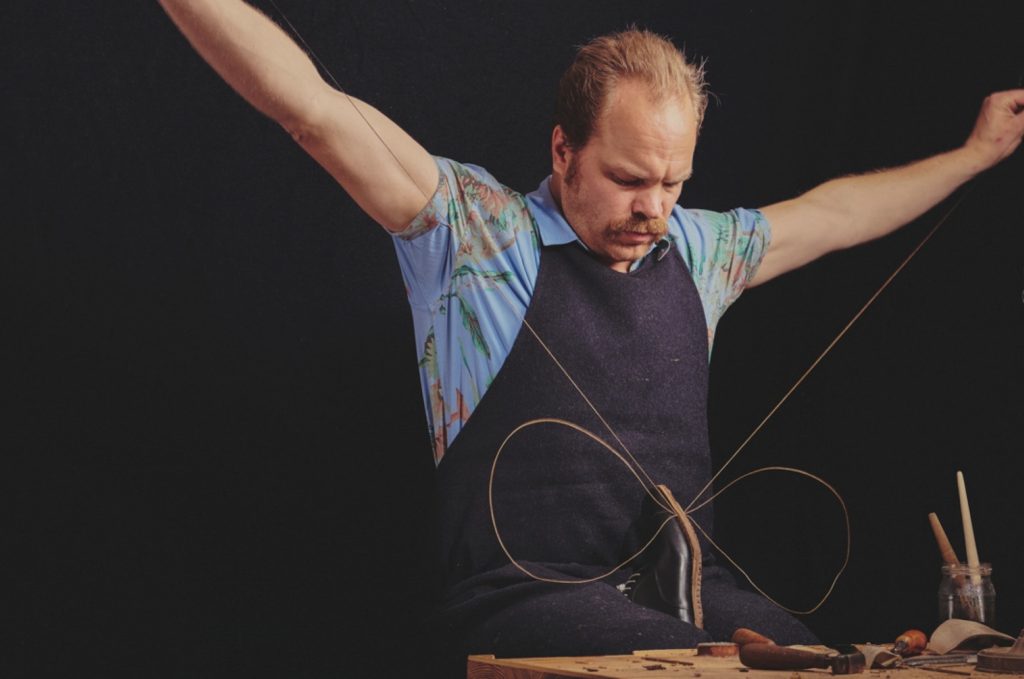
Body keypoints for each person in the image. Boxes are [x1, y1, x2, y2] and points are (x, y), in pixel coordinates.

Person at [157, 1, 1024, 676]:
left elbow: (835, 213)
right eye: (627, 178)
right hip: (521, 598)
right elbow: (313, 110)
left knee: (817, 661)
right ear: (563, 149)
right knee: (687, 664)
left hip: (686, 593)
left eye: (672, 181)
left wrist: (976, 154)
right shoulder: (478, 236)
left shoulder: (699, 248)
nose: (652, 207)